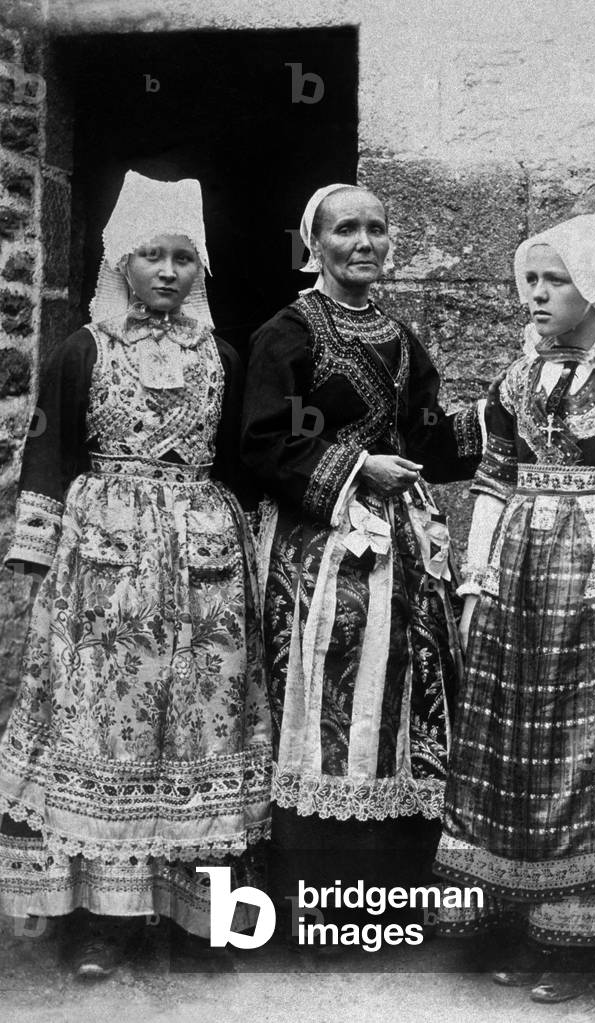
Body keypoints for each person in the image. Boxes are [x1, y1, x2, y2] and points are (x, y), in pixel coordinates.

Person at [0, 171, 272, 977]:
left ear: (201, 270)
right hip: (103, 572)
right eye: (150, 254)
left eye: (183, 257)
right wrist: (35, 564)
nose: (167, 270)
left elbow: (244, 460)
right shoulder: (82, 350)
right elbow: (47, 455)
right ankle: (102, 921)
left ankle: (199, 916)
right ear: (121, 262)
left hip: (205, 573)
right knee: (101, 728)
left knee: (204, 729)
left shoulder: (224, 355)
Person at [434, 213, 595, 1001]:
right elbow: (491, 483)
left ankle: (582, 938)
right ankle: (523, 918)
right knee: (519, 748)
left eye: (557, 281)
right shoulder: (515, 382)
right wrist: (475, 584)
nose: (537, 294)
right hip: (520, 585)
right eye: (532, 280)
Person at [240, 183, 487, 944]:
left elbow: (425, 439)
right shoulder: (286, 333)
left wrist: (498, 414)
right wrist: (355, 468)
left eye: (377, 229)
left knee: (403, 694)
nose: (365, 242)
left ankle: (389, 890)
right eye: (347, 229)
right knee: (322, 699)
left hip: (399, 557)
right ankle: (311, 898)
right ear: (315, 244)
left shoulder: (402, 340)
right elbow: (260, 442)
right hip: (319, 556)